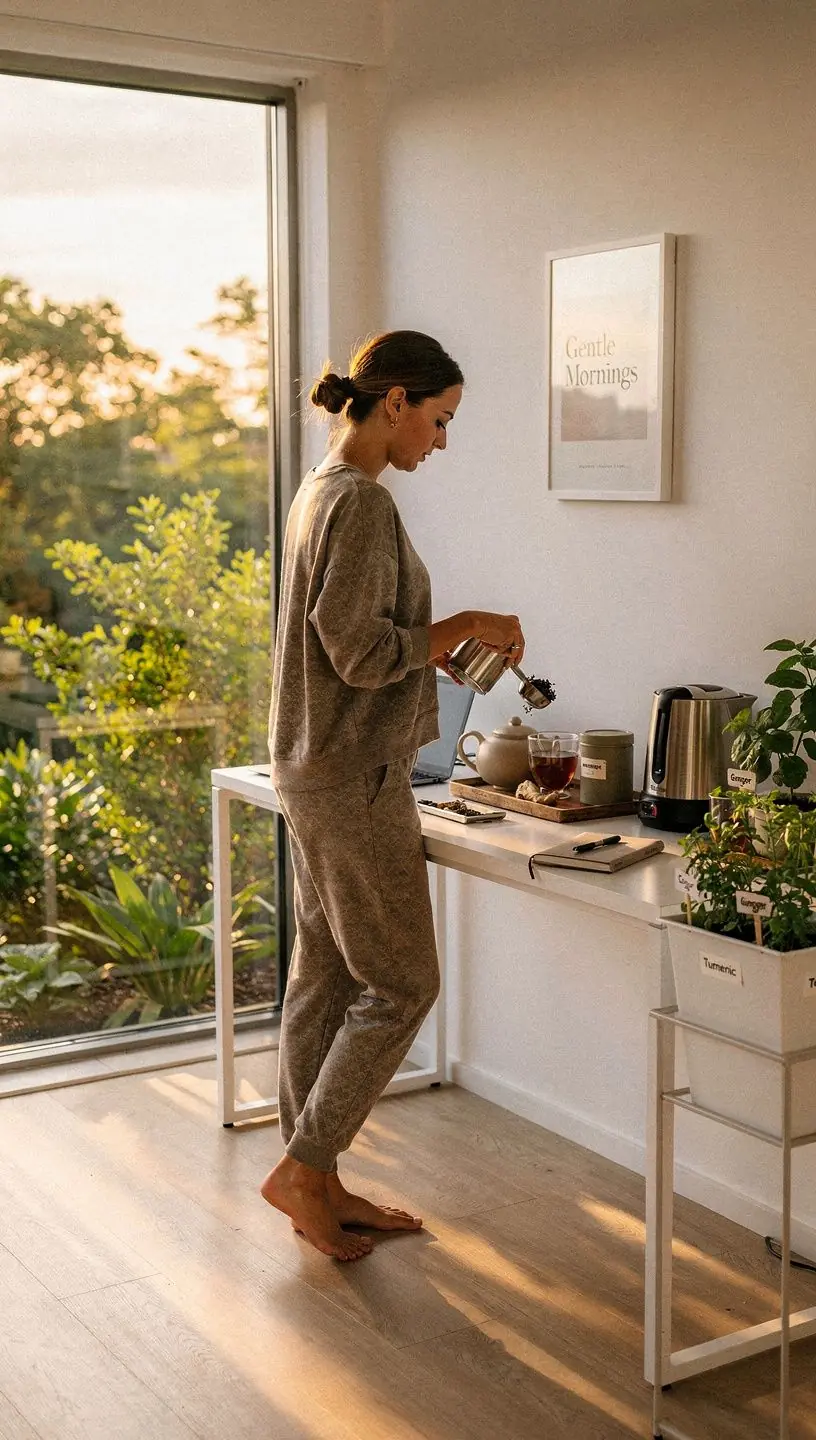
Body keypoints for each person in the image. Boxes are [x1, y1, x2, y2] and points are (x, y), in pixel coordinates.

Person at [261, 330, 525, 1260]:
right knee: (404, 982)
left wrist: (437, 640)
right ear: (398, 401)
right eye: (441, 421)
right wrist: (459, 624)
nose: (440, 444)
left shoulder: (317, 490)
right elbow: (360, 652)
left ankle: (317, 1185)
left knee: (325, 978)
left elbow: (353, 637)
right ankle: (305, 1165)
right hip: (353, 776)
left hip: (312, 765)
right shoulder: (361, 504)